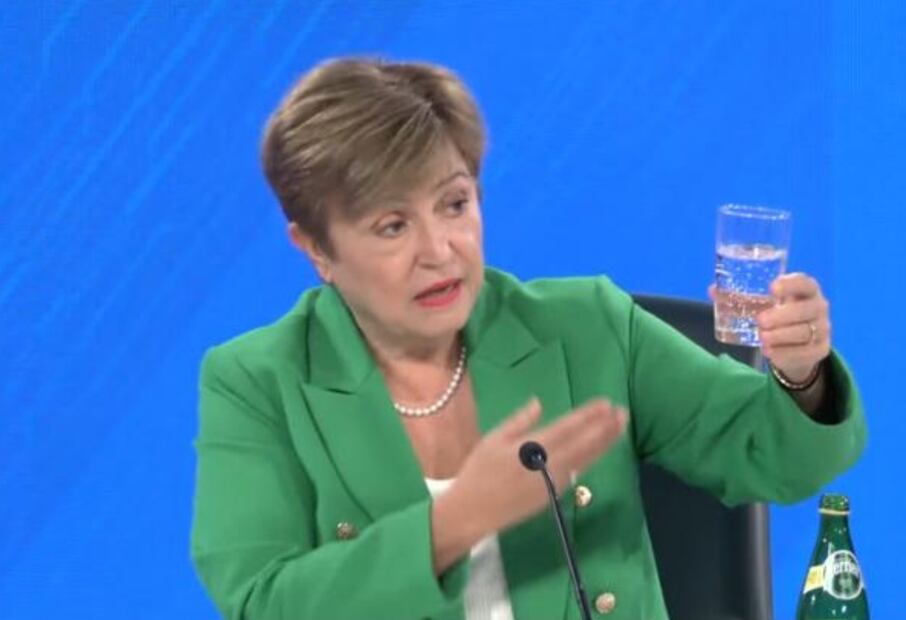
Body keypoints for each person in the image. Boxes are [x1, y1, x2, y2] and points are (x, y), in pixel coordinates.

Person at [190, 57, 866, 620]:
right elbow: (261, 602)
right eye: (392, 226)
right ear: (316, 248)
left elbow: (775, 458)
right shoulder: (257, 382)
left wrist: (802, 374)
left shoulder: (587, 326)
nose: (440, 250)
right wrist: (455, 521)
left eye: (455, 204)